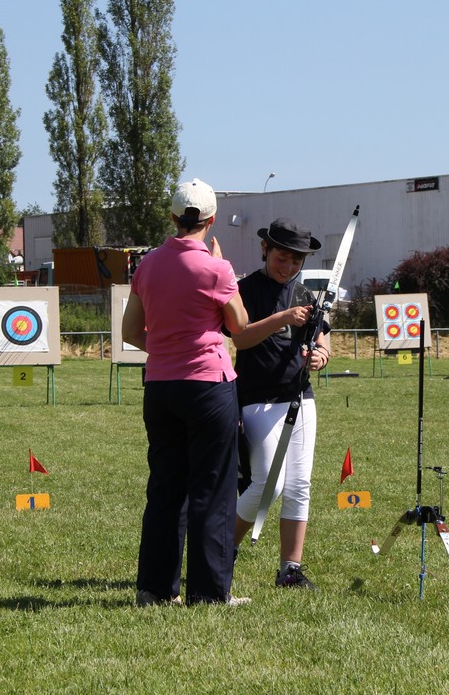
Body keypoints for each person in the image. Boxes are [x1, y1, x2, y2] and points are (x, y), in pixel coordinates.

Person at [121, 178, 250, 607]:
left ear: (173, 217)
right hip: (208, 388)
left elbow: (129, 332)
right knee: (212, 489)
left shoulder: (147, 265)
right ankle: (210, 593)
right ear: (211, 220)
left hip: (159, 387)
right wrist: (221, 265)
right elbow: (240, 327)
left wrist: (166, 348)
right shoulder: (217, 269)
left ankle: (154, 590)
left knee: (164, 488)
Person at [229, 218, 332, 589]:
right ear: (265, 250)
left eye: (295, 261)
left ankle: (290, 569)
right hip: (257, 401)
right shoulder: (244, 290)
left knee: (299, 483)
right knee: (266, 484)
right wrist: (282, 319)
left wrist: (321, 354)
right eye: (281, 258)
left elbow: (322, 337)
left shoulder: (305, 294)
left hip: (300, 399)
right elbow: (240, 339)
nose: (288, 267)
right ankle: (225, 548)